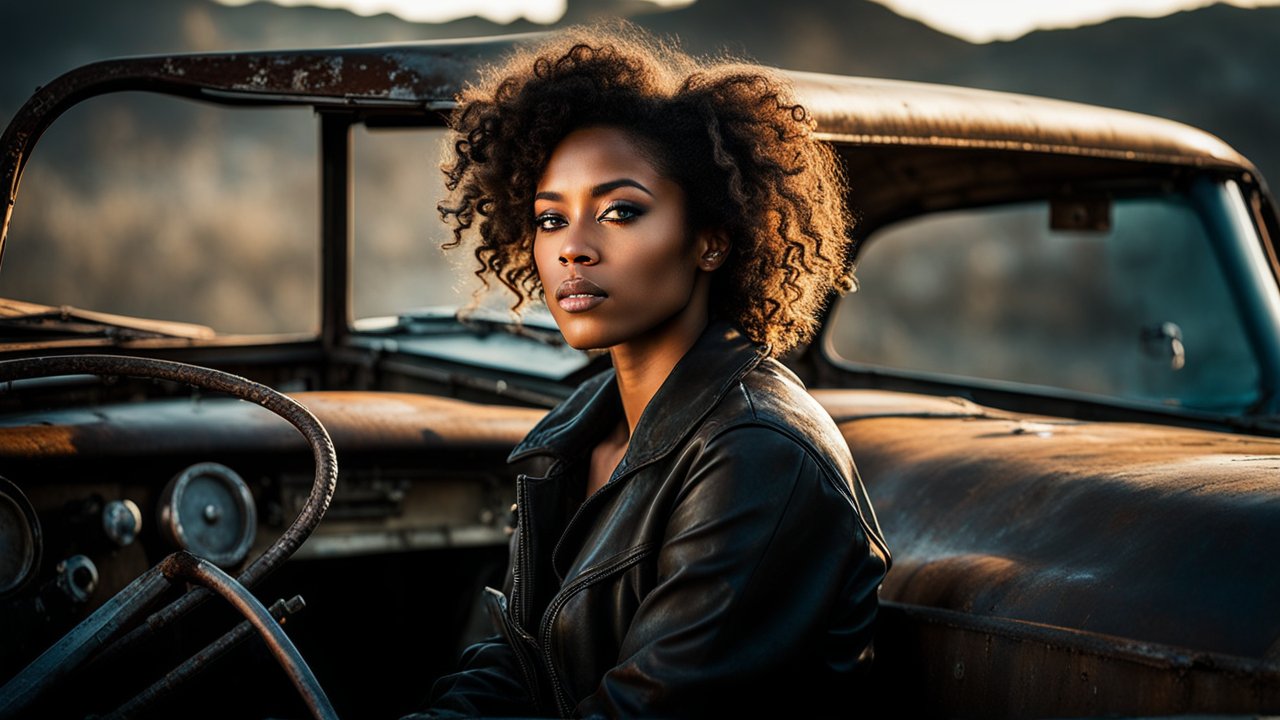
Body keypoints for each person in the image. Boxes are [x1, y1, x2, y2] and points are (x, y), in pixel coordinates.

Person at [418, 24, 890, 719]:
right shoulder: (572, 435)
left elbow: (647, 710)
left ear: (710, 240)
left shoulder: (758, 453)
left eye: (620, 212)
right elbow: (519, 657)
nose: (573, 249)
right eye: (551, 220)